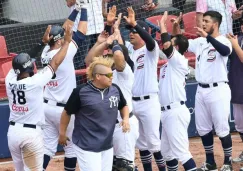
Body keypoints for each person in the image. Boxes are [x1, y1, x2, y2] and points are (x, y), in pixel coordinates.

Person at [6, 24, 73, 171]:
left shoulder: (9, 80)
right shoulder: (35, 82)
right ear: (30, 68)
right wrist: (67, 42)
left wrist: (42, 44)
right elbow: (55, 62)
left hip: (13, 133)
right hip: (30, 134)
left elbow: (22, 62)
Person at [85, 11, 139, 170]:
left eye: (110, 55)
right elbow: (89, 61)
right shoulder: (105, 72)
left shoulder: (125, 71)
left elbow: (118, 57)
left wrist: (114, 41)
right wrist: (101, 43)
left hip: (124, 125)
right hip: (107, 127)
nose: (108, 57)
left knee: (125, 166)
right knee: (112, 166)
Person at [58, 57, 130, 171]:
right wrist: (62, 133)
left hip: (107, 144)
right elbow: (67, 112)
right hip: (86, 145)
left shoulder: (115, 89)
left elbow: (123, 106)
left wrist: (125, 119)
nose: (112, 78)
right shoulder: (81, 92)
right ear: (98, 76)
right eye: (109, 75)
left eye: (112, 75)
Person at [182, 11, 233, 171]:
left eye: (206, 21)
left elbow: (225, 52)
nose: (203, 23)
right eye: (202, 21)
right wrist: (177, 30)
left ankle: (228, 162)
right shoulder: (200, 42)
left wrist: (208, 37)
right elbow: (183, 44)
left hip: (218, 89)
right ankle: (210, 161)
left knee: (222, 129)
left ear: (215, 24)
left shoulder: (224, 40)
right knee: (203, 129)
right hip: (201, 89)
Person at [41, 1, 88, 170]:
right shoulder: (65, 52)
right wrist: (84, 10)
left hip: (46, 108)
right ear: (60, 41)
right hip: (64, 111)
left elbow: (64, 30)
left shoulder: (45, 52)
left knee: (47, 146)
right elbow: (82, 32)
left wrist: (74, 10)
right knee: (70, 147)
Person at [124, 7, 166, 171]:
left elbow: (150, 41)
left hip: (149, 102)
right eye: (130, 31)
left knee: (154, 143)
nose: (131, 33)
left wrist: (137, 24)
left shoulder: (150, 50)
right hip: (134, 103)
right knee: (141, 144)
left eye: (134, 31)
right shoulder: (130, 52)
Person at [158, 11, 197, 171]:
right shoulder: (169, 63)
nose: (166, 45)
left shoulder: (180, 61)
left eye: (173, 43)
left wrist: (162, 25)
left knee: (182, 153)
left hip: (175, 111)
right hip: (166, 112)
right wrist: (175, 27)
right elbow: (173, 44)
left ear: (177, 48)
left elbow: (169, 46)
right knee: (167, 153)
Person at [66, 0, 104, 78]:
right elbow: (69, 3)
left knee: (98, 61)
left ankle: (97, 86)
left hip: (99, 28)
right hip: (81, 30)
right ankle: (77, 88)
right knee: (79, 63)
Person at [227, 18, 243, 171]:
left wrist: (235, 45)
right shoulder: (237, 39)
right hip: (237, 86)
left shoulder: (236, 42)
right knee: (239, 124)